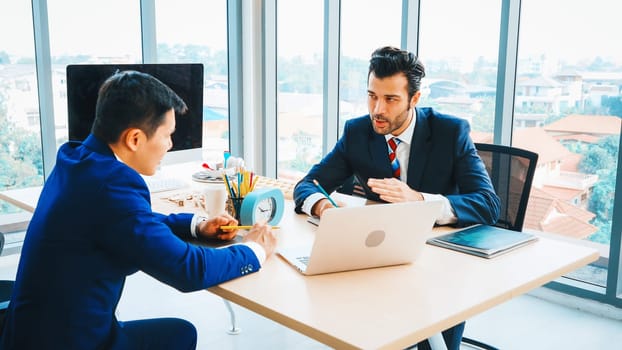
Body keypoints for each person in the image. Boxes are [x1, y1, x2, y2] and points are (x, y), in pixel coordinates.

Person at [0, 70, 277, 349]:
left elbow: (130, 221)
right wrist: (253, 250)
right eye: (167, 135)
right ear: (134, 139)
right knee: (180, 335)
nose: (170, 145)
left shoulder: (76, 158)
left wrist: (196, 224)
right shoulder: (113, 186)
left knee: (176, 333)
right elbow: (189, 270)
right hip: (73, 342)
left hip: (30, 333)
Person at [293, 46, 500, 350]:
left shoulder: (450, 132)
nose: (377, 109)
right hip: (381, 260)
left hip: (440, 266)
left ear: (414, 99)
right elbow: (307, 185)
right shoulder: (357, 132)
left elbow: (488, 204)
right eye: (372, 96)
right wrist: (324, 207)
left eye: (390, 99)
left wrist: (419, 201)